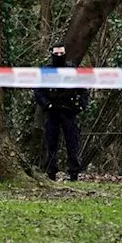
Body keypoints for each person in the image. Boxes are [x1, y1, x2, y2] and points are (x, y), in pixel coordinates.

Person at [34, 44, 88, 181]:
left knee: (72, 143)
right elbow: (38, 91)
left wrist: (81, 105)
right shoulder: (46, 71)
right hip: (52, 111)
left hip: (69, 111)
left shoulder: (72, 71)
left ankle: (74, 172)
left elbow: (83, 90)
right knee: (51, 142)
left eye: (61, 54)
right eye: (56, 54)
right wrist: (47, 104)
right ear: (51, 54)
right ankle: (51, 172)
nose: (59, 57)